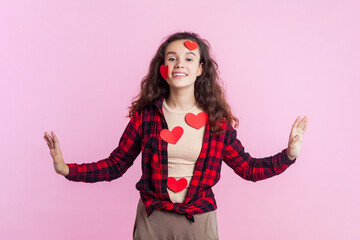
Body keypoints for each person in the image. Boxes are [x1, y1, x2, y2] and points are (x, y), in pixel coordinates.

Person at [43, 31, 308, 240]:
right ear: (163, 68)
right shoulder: (145, 118)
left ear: (201, 69)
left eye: (188, 59)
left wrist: (288, 155)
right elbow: (116, 165)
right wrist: (67, 169)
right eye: (172, 58)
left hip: (199, 221)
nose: (179, 64)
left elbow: (248, 168)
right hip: (152, 220)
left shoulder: (217, 123)